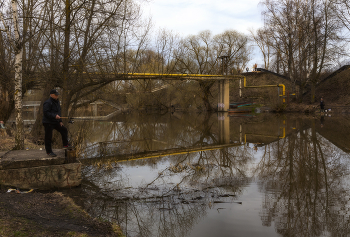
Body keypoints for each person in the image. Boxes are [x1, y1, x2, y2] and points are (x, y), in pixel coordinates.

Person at [42, 89, 70, 157]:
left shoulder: (57, 102)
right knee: (48, 137)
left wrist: (60, 121)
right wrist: (54, 116)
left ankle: (65, 144)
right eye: (55, 95)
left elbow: (59, 112)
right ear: (51, 95)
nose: (57, 96)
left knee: (64, 129)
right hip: (48, 122)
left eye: (57, 95)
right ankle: (49, 152)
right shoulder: (47, 102)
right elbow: (46, 113)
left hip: (55, 121)